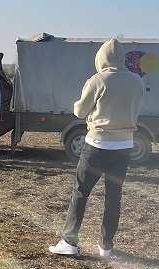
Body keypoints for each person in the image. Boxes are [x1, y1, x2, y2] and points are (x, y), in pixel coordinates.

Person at [49, 38, 144, 257]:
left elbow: (80, 112)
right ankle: (106, 247)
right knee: (113, 197)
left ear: (100, 58)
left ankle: (69, 243)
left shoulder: (97, 80)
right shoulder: (136, 81)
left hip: (97, 145)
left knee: (80, 193)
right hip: (124, 146)